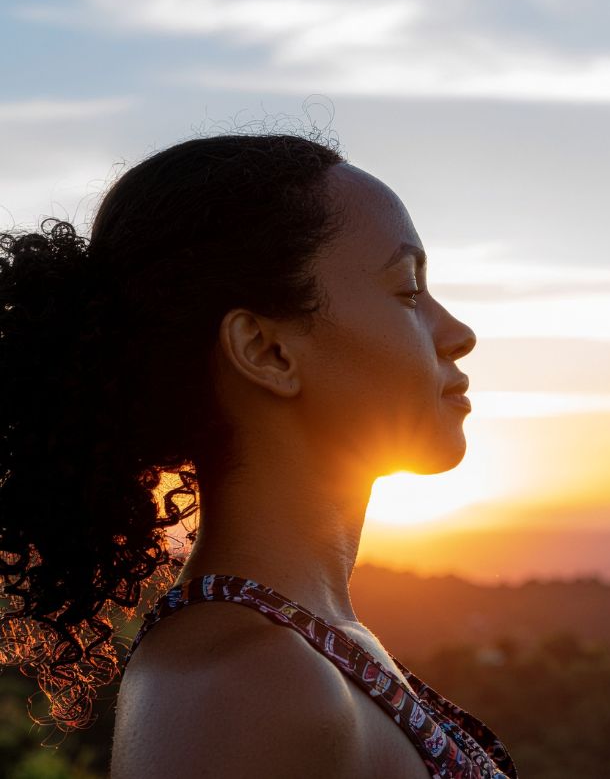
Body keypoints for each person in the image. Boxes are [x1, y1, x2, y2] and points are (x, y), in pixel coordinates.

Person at [0, 132, 517, 778]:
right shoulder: (244, 687)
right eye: (408, 291)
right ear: (266, 351)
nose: (459, 334)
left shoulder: (291, 650)